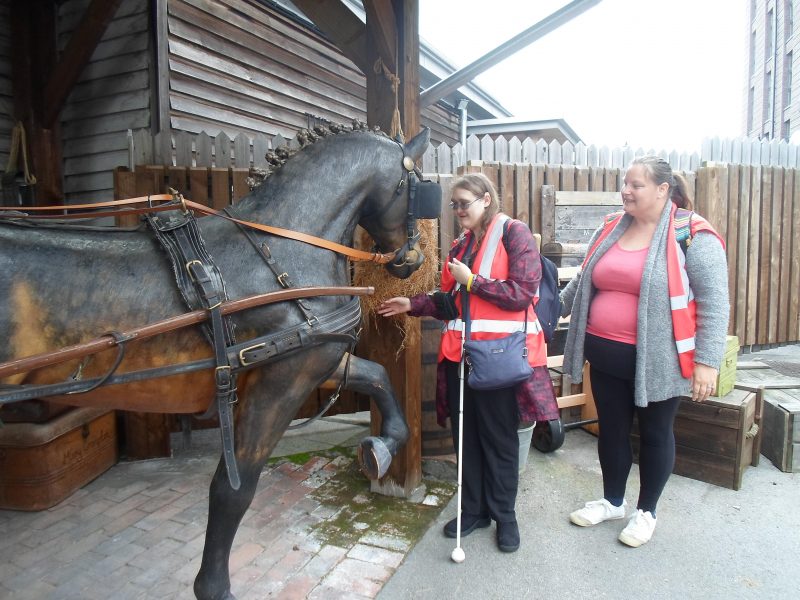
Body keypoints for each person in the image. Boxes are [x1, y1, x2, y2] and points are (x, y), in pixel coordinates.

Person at [378, 173, 558, 553]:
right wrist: (413, 304)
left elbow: (523, 293)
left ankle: (505, 516)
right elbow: (451, 304)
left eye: (465, 203)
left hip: (500, 360)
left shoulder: (515, 233)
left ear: (486, 200)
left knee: (499, 440)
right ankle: (473, 510)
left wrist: (474, 281)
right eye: (454, 204)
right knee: (467, 440)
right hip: (460, 359)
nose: (458, 210)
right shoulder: (461, 245)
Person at [560, 156, 729, 547]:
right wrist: (546, 311)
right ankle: (612, 501)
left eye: (635, 184)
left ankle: (646, 512)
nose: (626, 191)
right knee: (612, 430)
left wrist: (707, 363)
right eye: (625, 183)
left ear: (662, 190)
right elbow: (583, 281)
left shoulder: (692, 234)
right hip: (604, 355)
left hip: (660, 360)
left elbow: (715, 302)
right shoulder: (609, 229)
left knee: (655, 433)